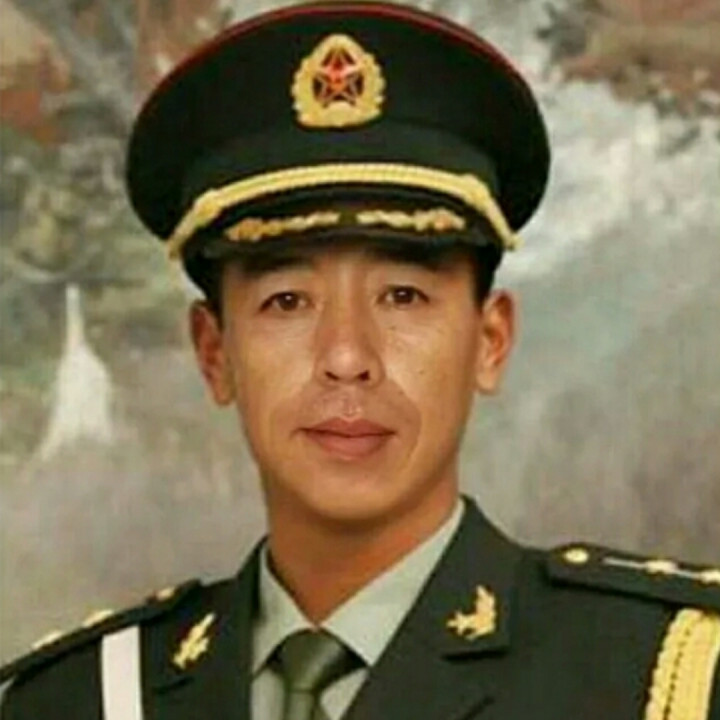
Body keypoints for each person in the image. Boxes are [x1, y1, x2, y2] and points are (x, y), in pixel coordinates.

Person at [1, 1, 718, 718]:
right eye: (287, 301)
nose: (346, 357)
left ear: (490, 340)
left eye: (403, 296)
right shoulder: (75, 701)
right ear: (214, 353)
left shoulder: (662, 679)